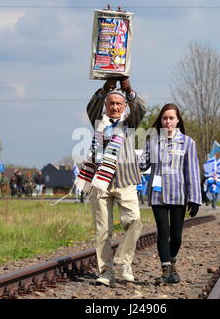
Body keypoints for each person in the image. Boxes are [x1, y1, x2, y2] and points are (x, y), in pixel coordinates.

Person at [73, 77, 145, 286]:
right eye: (111, 103)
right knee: (103, 229)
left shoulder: (129, 123)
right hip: (100, 182)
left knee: (134, 221)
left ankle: (124, 262)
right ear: (106, 105)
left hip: (125, 180)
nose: (114, 107)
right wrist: (107, 87)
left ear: (124, 107)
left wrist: (127, 88)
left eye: (119, 104)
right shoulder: (99, 121)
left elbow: (140, 108)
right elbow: (91, 106)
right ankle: (105, 272)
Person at [140, 103, 201, 285]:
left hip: (179, 194)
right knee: (162, 232)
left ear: (178, 120)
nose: (168, 122)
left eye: (171, 118)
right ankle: (166, 270)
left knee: (176, 236)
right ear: (161, 120)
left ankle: (172, 262)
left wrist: (195, 198)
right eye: (165, 118)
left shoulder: (188, 143)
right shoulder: (152, 141)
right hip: (158, 194)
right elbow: (142, 165)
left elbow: (192, 171)